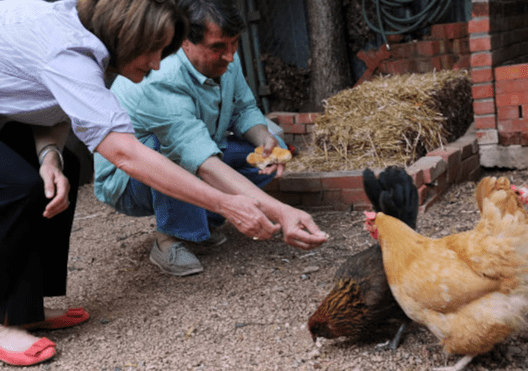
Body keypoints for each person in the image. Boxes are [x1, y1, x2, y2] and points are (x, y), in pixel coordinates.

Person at [0, 0, 326, 366]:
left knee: (65, 168)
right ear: (127, 35)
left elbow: (49, 107)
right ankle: (2, 324)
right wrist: (232, 205)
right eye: (154, 50)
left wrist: (49, 157)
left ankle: (26, 308)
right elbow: (127, 154)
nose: (157, 63)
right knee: (18, 186)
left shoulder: (82, 47)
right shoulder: (69, 51)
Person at [94, 0, 323, 276]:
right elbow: (197, 156)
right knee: (171, 151)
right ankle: (170, 239)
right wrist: (280, 211)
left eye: (234, 44)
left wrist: (264, 139)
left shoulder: (227, 56)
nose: (230, 56)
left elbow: (244, 109)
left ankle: (204, 219)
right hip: (127, 181)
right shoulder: (162, 77)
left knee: (274, 149)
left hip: (200, 147)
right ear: (184, 43)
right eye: (218, 47)